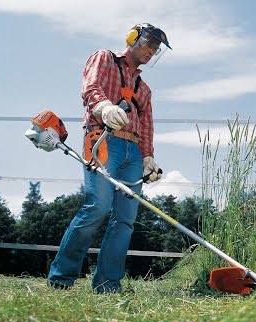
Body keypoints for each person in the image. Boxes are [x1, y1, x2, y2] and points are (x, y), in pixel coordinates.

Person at [47, 23, 172, 294]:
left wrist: (148, 157)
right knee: (97, 207)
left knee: (125, 220)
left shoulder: (145, 89)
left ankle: (107, 285)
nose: (151, 50)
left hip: (133, 153)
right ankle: (61, 278)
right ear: (132, 38)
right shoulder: (104, 58)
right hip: (102, 140)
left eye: (156, 48)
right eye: (148, 43)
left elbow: (147, 125)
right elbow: (91, 86)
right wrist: (104, 107)